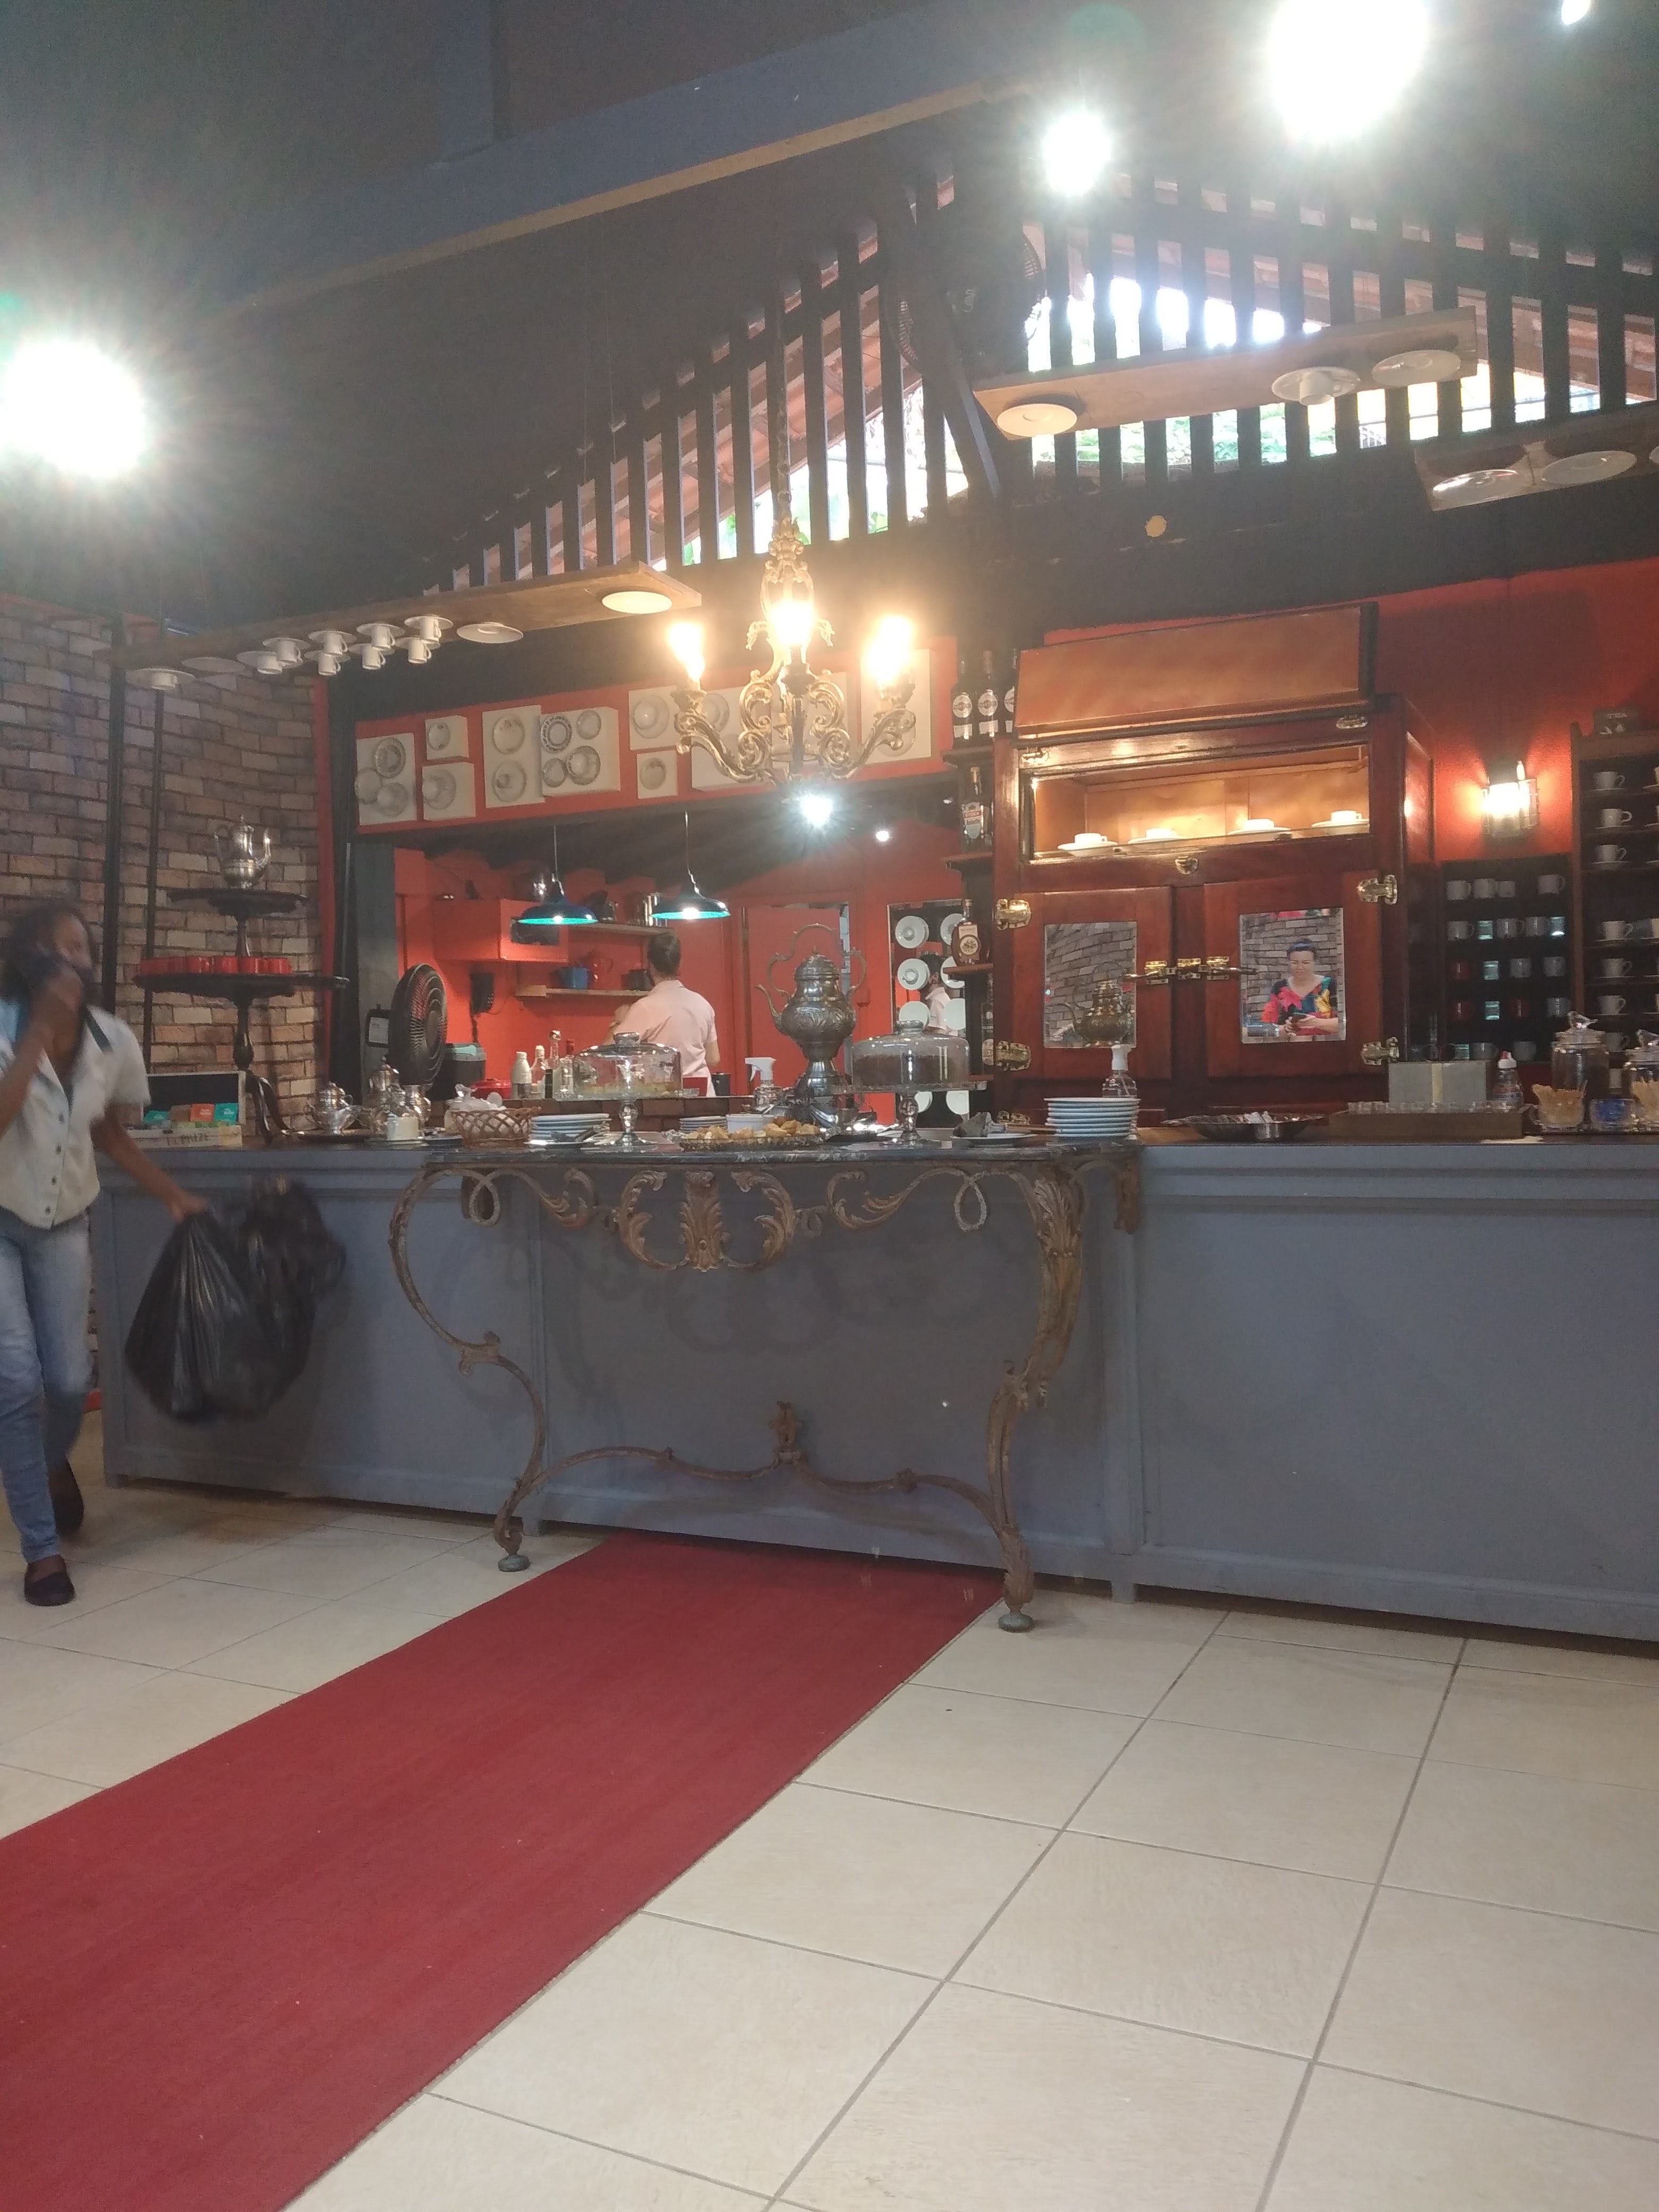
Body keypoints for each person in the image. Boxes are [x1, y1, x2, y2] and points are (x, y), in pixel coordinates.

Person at [0, 901, 205, 1606]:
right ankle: (42, 1552)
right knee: (17, 1381)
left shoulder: (112, 1039)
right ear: (26, 959)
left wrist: (171, 1194)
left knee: (67, 1380)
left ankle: (49, 1460)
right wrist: (36, 1033)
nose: (73, 960)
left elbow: (110, 1133)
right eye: (57, 947)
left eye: (81, 947)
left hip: (63, 1222)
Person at [609, 928, 720, 1086]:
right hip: (703, 1095)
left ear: (650, 965)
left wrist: (620, 1022)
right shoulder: (703, 1004)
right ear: (679, 963)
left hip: (664, 1095)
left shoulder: (646, 1007)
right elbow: (713, 1059)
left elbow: (608, 1053)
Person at [1261, 940, 1342, 1037]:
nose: (1300, 967)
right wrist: (1284, 1029)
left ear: (1315, 963)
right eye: (1295, 963)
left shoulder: (1330, 985)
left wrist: (1315, 1022)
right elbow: (1268, 1026)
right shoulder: (1279, 987)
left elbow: (1344, 1023)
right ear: (1289, 963)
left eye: (1306, 963)